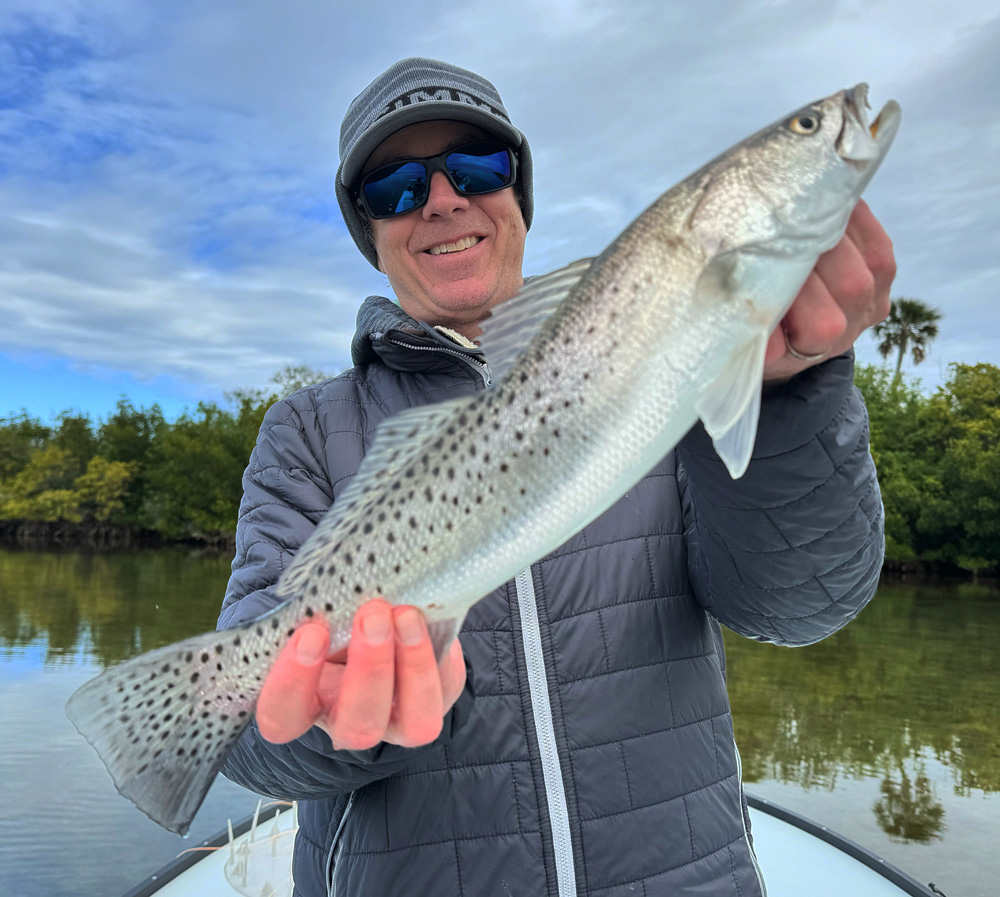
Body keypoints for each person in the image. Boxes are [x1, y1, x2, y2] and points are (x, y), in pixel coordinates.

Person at [219, 58, 891, 896]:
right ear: (370, 231)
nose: (441, 200)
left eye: (476, 168)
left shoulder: (684, 366)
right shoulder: (307, 431)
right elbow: (246, 737)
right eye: (395, 187)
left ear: (517, 194)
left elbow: (799, 606)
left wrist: (789, 390)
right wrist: (337, 720)